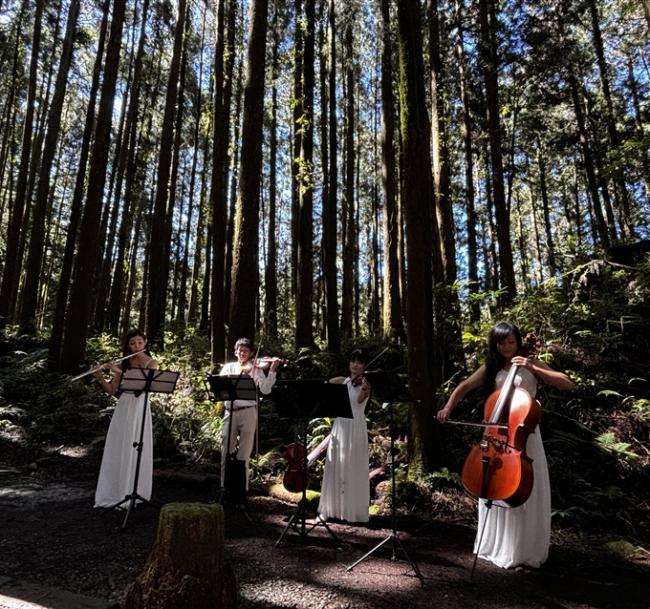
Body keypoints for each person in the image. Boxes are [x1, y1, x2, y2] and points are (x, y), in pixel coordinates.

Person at [437, 321, 573, 569]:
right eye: (502, 343)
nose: (507, 347)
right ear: (495, 344)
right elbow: (464, 386)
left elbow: (566, 382)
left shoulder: (529, 363)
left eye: (511, 342)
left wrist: (532, 366)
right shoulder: (491, 366)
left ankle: (523, 552)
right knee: (494, 486)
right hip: (498, 435)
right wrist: (448, 407)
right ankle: (493, 545)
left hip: (524, 436)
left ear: (519, 341)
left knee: (525, 489)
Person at [93, 329, 158, 508]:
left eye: (139, 342)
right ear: (128, 346)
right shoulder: (124, 362)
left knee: (135, 444)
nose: (136, 346)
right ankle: (115, 491)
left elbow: (144, 386)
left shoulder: (152, 363)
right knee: (119, 444)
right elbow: (113, 390)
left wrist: (121, 372)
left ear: (145, 343)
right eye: (132, 343)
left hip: (140, 406)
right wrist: (100, 377)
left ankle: (134, 491)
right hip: (124, 404)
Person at [219, 338, 280, 500]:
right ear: (235, 352)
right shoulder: (228, 367)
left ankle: (242, 490)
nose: (242, 353)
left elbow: (266, 391)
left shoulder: (257, 369)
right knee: (226, 449)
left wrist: (272, 371)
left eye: (246, 351)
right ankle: (224, 487)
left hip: (249, 410)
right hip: (230, 411)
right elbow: (221, 387)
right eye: (239, 350)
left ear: (251, 353)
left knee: (244, 452)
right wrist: (241, 373)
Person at [318, 349, 372, 523]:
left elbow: (358, 401)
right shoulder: (344, 381)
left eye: (359, 362)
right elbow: (324, 386)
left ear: (364, 366)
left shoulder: (366, 383)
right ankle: (331, 509)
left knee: (353, 466)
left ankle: (353, 512)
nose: (355, 365)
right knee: (336, 465)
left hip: (355, 426)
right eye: (353, 361)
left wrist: (365, 386)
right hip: (340, 425)